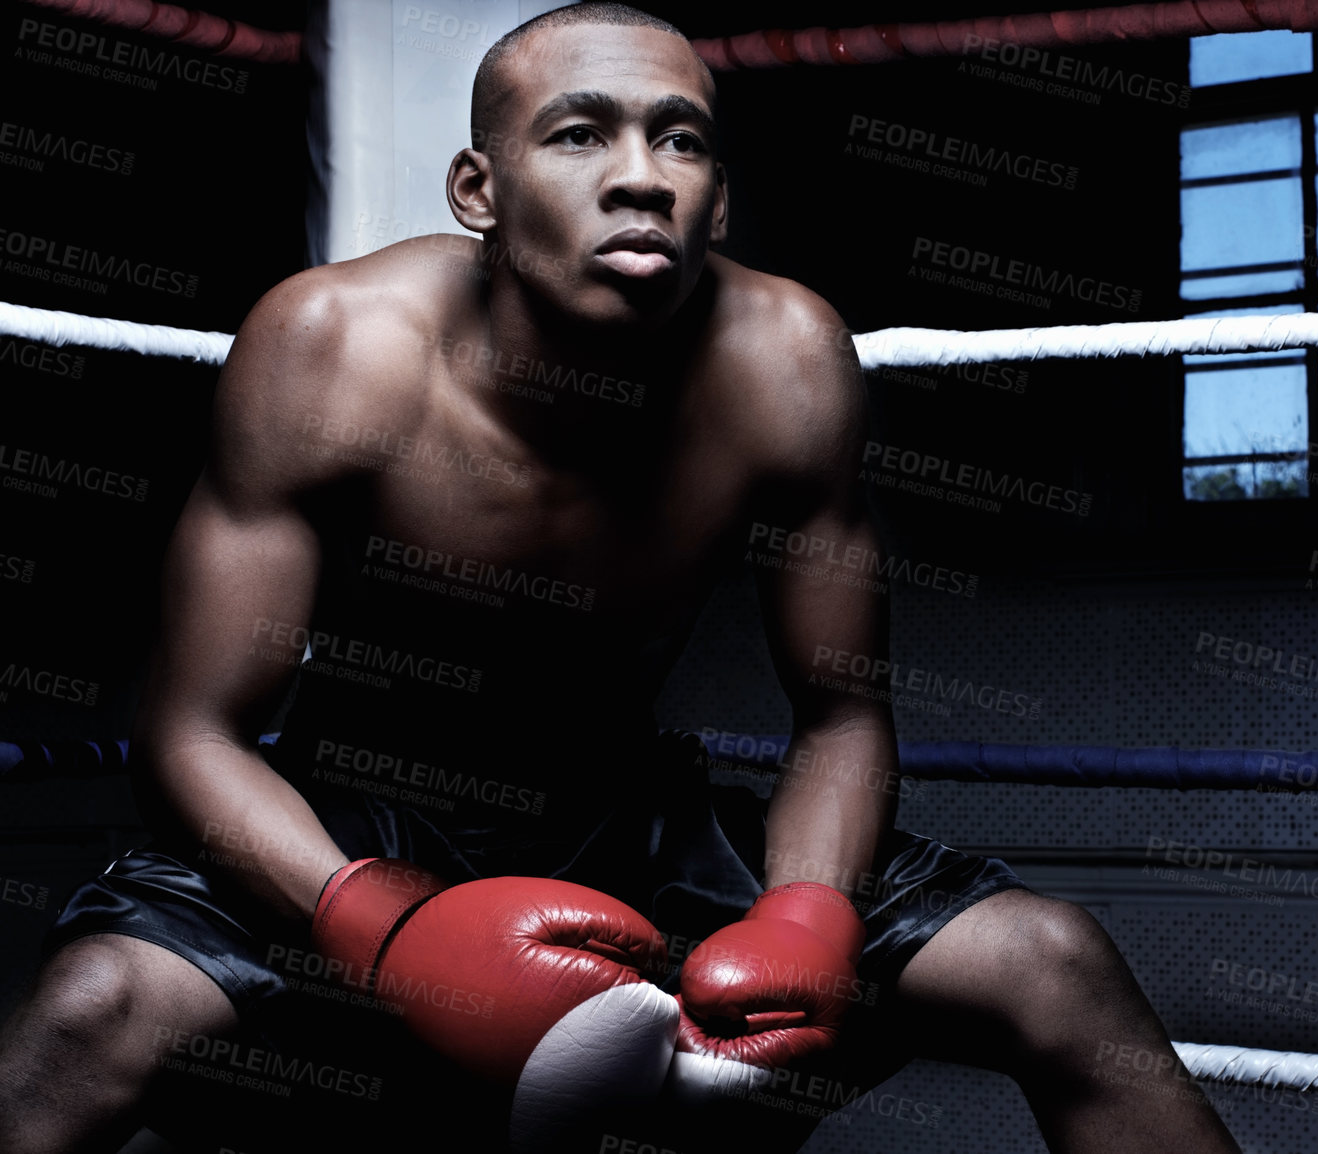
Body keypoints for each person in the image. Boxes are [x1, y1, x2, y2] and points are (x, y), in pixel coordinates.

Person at [0, 6, 1240, 1152]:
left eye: (680, 141)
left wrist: (806, 913)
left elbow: (842, 711)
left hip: (636, 817)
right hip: (357, 812)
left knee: (1049, 958)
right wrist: (374, 918)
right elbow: (187, 727)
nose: (639, 174)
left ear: (714, 201)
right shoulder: (335, 350)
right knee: (96, 1005)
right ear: (478, 190)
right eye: (580, 133)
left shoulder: (787, 364)